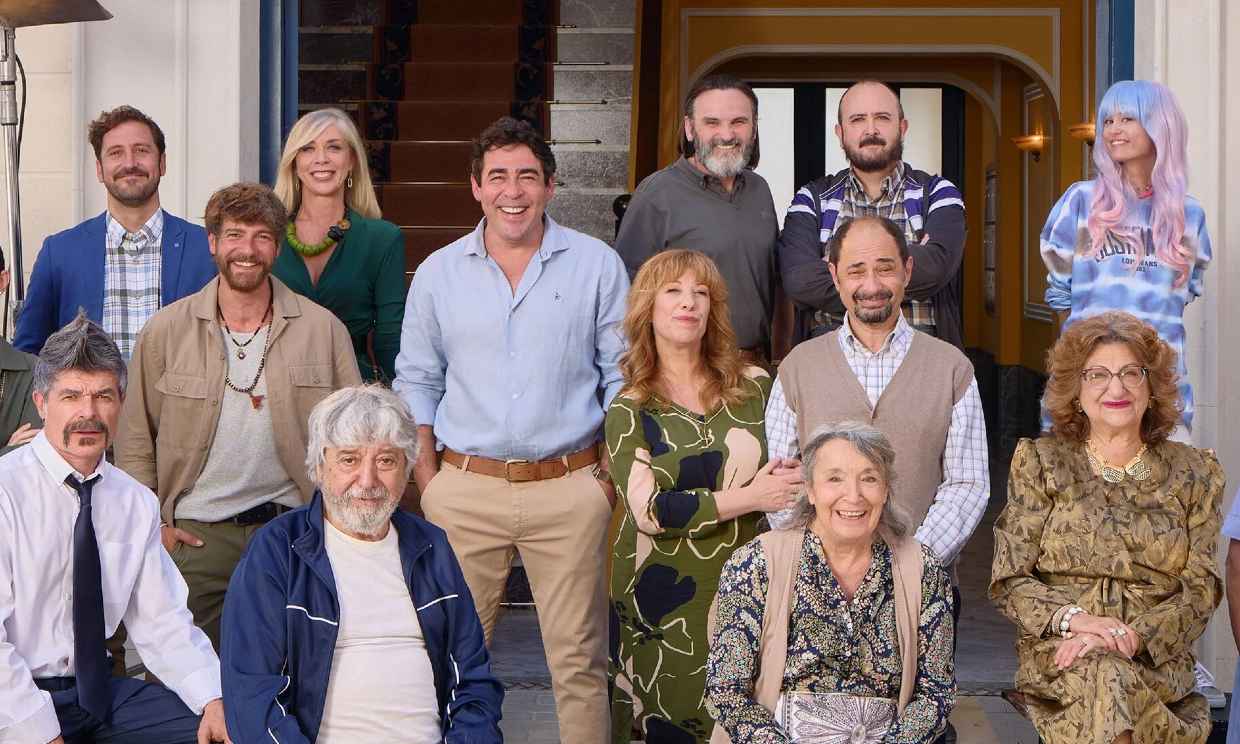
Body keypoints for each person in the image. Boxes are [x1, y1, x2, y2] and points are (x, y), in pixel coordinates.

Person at [394, 115, 627, 742]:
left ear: (550, 185)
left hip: (571, 488)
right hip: (465, 490)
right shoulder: (439, 272)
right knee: (449, 660)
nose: (512, 191)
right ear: (476, 186)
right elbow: (417, 378)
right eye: (497, 176)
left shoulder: (597, 266)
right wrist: (429, 480)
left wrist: (607, 478)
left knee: (581, 663)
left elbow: (622, 378)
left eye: (527, 176)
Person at [115, 181, 361, 652]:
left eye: (261, 237)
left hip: (291, 530)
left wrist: (338, 527)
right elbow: (134, 440)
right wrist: (152, 530)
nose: (247, 250)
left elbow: (353, 439)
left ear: (277, 246)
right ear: (212, 242)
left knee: (292, 670)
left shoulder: (323, 330)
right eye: (234, 235)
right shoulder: (165, 331)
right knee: (180, 675)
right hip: (195, 537)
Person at [221, 385, 503, 742]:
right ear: (320, 466)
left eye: (386, 461)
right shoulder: (278, 550)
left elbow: (474, 683)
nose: (367, 481)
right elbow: (252, 695)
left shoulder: (431, 546)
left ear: (406, 468)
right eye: (349, 460)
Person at [991, 311, 1223, 744]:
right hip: (1064, 655)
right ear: (1076, 391)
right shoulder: (1040, 463)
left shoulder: (1195, 472)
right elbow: (1010, 579)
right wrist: (1078, 621)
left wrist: (1132, 636)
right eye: (1097, 375)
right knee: (1104, 674)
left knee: (1111, 674)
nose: (1116, 388)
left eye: (1131, 373)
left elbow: (1201, 589)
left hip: (1154, 657)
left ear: (1152, 388)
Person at [0, 314, 228, 743]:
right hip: (16, 695)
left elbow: (163, 622)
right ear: (41, 403)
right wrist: (38, 732)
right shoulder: (5, 491)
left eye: (103, 395)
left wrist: (213, 698)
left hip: (101, 695)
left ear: (121, 402)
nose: (88, 413)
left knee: (225, 729)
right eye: (71, 396)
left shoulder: (135, 501)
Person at [607, 249, 802, 743]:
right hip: (661, 593)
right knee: (671, 720)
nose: (688, 302)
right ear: (648, 307)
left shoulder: (757, 387)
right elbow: (651, 511)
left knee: (750, 719)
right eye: (673, 291)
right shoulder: (630, 407)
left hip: (749, 582)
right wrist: (752, 496)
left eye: (701, 293)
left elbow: (789, 469)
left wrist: (785, 480)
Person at [706, 421, 955, 743]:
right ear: (810, 489)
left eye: (869, 478)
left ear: (885, 490)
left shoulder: (922, 568)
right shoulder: (756, 563)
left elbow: (936, 692)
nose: (853, 496)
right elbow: (726, 689)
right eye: (834, 478)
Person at [766, 216, 988, 573]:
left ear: (907, 271)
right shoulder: (797, 369)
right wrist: (825, 563)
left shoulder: (952, 369)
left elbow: (967, 484)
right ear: (835, 276)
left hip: (922, 581)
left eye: (885, 269)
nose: (871, 285)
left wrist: (912, 562)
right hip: (818, 583)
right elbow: (782, 485)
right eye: (856, 271)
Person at [1040, 80, 1209, 436]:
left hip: (1162, 389)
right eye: (1107, 121)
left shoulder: (1189, 216)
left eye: (1127, 119)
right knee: (1077, 470)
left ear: (1160, 125)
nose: (1114, 129)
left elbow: (1181, 297)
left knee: (1165, 471)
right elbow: (1060, 294)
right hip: (1089, 386)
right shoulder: (1080, 202)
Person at [14, 105, 216, 356]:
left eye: (141, 150)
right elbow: (27, 357)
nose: (130, 163)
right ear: (99, 169)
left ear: (162, 163)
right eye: (116, 153)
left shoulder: (206, 248)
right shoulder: (59, 253)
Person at [779, 79, 966, 346]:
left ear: (902, 127)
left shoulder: (938, 193)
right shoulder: (811, 199)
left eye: (882, 117)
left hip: (922, 352)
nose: (871, 129)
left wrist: (844, 272)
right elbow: (800, 281)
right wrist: (899, 268)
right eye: (857, 119)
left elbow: (935, 268)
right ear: (840, 133)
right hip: (828, 355)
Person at [614, 74, 779, 362]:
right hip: (688, 366)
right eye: (712, 122)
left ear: (753, 129)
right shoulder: (657, 193)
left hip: (755, 364)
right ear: (690, 129)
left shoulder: (759, 189)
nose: (726, 135)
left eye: (739, 122)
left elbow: (773, 279)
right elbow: (626, 294)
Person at [272, 108, 405, 382]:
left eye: (334, 147)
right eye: (307, 149)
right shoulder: (268, 235)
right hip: (275, 387)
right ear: (294, 163)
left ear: (352, 160)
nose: (321, 159)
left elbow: (390, 337)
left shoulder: (382, 238)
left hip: (353, 388)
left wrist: (401, 395)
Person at [0, 250, 41, 454]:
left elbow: (30, 457)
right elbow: (16, 457)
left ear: (2, 281)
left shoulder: (33, 372)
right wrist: (8, 452)